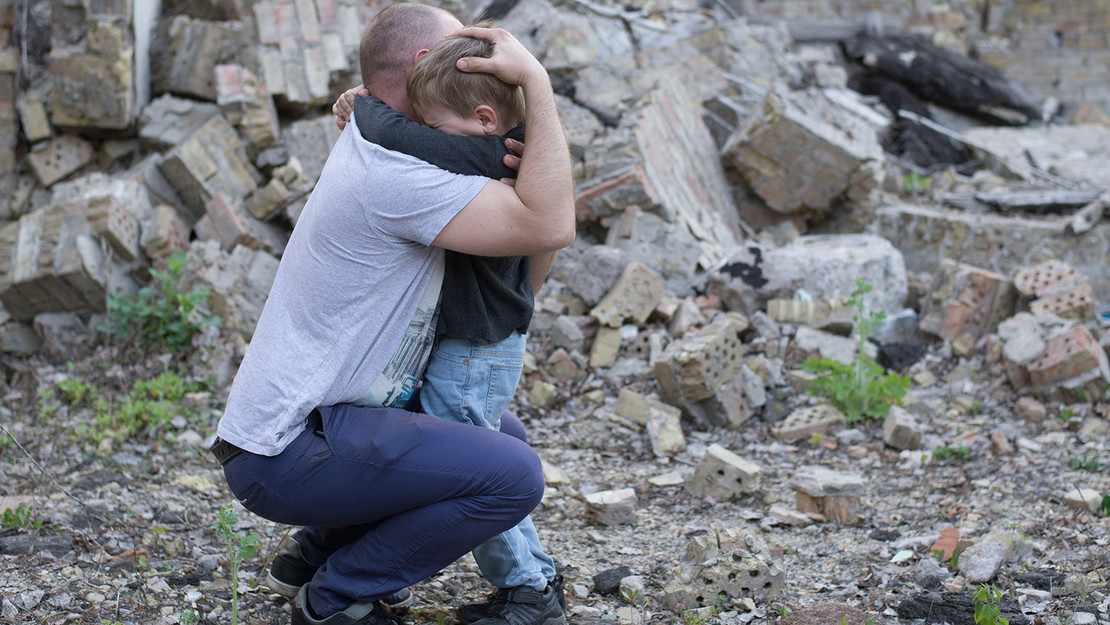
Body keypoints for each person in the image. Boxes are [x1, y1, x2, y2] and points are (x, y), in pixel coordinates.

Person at [210, 4, 575, 625]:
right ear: (421, 67)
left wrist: (365, 98)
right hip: (290, 449)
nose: (485, 58)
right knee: (511, 475)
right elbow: (551, 223)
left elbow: (528, 250)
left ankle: (320, 551)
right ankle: (334, 598)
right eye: (467, 47)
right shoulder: (398, 173)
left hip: (314, 425)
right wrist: (535, 84)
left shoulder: (383, 134)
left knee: (496, 438)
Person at [347, 30, 565, 624]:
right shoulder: (507, 148)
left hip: (476, 350)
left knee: (474, 475)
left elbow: (395, 134)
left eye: (439, 125)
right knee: (477, 458)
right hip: (480, 346)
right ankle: (533, 577)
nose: (430, 134)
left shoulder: (495, 153)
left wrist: (361, 105)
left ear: (486, 118)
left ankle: (529, 588)